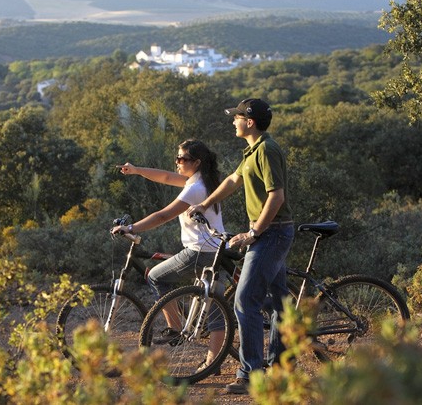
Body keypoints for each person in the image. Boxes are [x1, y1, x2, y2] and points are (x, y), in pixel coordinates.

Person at [187, 98, 294, 394]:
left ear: (249, 121)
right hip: (271, 233)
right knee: (280, 303)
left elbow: (276, 197)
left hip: (271, 234)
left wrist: (253, 232)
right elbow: (234, 180)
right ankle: (281, 369)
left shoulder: (267, 150)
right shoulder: (254, 150)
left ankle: (250, 376)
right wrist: (206, 203)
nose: (233, 121)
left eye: (236, 117)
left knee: (245, 301)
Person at [111, 139, 226, 371]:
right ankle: (213, 362)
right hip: (217, 251)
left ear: (196, 162)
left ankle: (176, 329)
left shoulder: (195, 188)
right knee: (215, 308)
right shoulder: (202, 180)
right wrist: (136, 170)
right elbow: (165, 176)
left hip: (200, 252)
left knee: (156, 276)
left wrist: (131, 228)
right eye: (177, 157)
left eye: (182, 159)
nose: (177, 162)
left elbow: (163, 216)